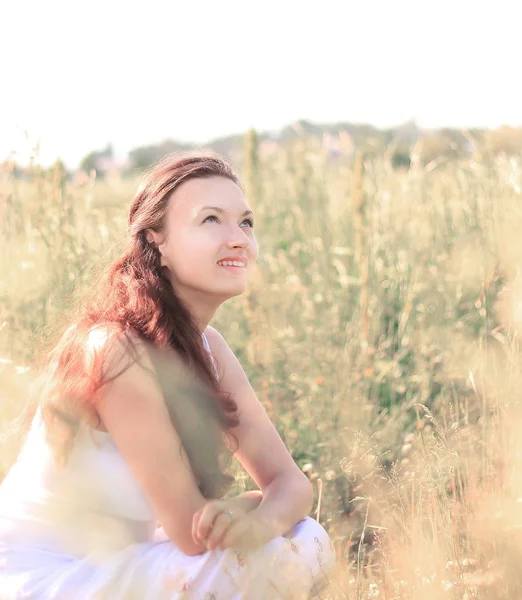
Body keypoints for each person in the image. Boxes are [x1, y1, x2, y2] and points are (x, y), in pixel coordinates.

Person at [0, 152, 336, 599]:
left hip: (119, 565)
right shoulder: (116, 350)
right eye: (211, 220)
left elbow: (291, 484)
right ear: (157, 240)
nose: (237, 239)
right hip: (46, 578)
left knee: (306, 538)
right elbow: (191, 533)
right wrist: (251, 507)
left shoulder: (209, 348)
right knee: (265, 563)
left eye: (246, 222)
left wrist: (261, 521)